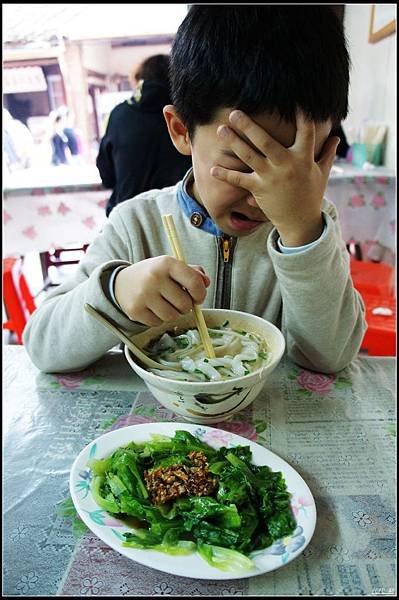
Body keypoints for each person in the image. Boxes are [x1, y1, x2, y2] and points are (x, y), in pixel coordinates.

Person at [23, 6, 366, 375]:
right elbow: (42, 344)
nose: (265, 196)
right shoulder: (136, 225)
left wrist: (301, 233)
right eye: (243, 164)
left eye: (299, 171)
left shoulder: (313, 226)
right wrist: (116, 293)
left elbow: (329, 357)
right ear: (182, 131)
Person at [96, 54, 192, 216]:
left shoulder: (120, 114)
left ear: (139, 80)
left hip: (128, 219)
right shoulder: (187, 114)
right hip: (181, 218)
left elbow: (106, 175)